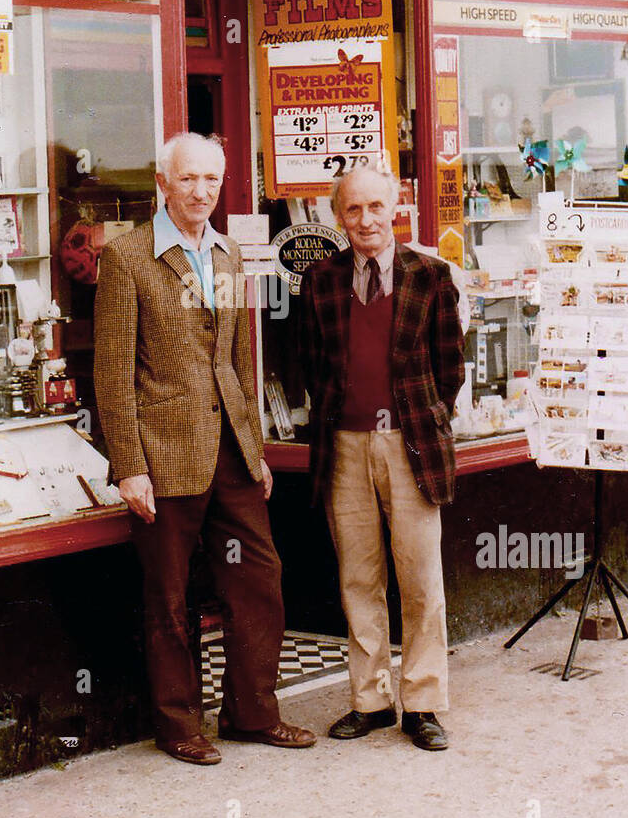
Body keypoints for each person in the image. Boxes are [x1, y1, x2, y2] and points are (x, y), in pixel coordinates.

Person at [93, 132, 315, 765]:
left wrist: (257, 449)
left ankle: (252, 712)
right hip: (163, 454)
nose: (201, 192)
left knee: (259, 578)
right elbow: (112, 373)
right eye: (188, 179)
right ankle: (177, 724)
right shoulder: (129, 257)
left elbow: (240, 361)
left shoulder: (226, 256)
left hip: (231, 453)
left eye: (212, 181)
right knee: (169, 594)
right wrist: (129, 466)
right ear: (163, 183)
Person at [299, 165, 465, 751]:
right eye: (352, 210)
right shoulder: (320, 280)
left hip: (409, 444)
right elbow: (312, 365)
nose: (365, 220)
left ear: (395, 208)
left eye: (376, 207)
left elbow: (450, 371)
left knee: (420, 579)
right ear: (337, 216)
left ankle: (422, 703)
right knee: (358, 578)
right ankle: (370, 701)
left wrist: (417, 423)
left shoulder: (431, 276)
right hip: (342, 446)